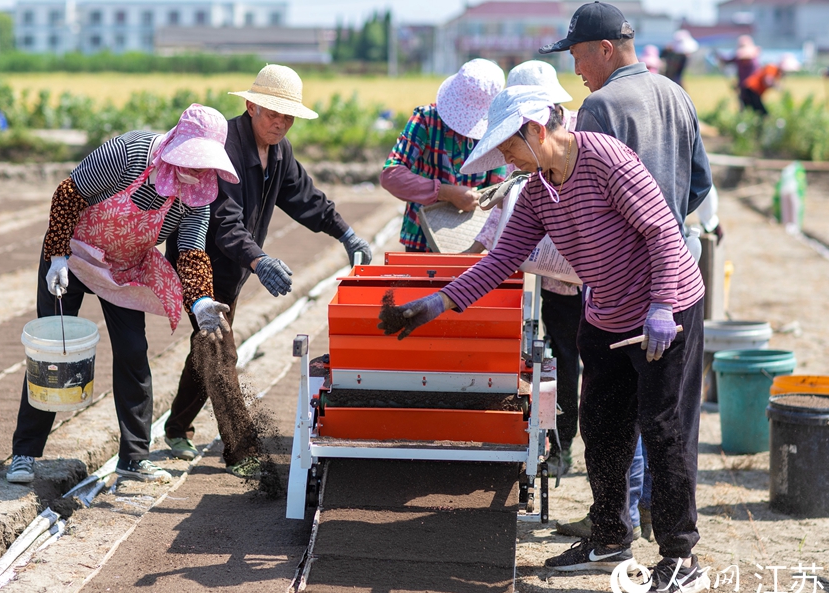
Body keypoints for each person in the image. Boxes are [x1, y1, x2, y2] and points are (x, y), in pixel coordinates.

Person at [379, 87, 708, 593]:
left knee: (663, 430)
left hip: (661, 313)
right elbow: (501, 259)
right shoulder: (537, 191)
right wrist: (435, 305)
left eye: (507, 145)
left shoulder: (606, 159)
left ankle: (681, 559)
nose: (504, 159)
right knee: (601, 427)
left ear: (535, 130)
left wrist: (664, 305)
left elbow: (663, 232)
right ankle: (608, 536)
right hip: (605, 314)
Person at [539, 0, 713, 545]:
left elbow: (589, 197)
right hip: (677, 276)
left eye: (577, 55)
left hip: (630, 289)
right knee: (668, 423)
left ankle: (639, 535)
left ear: (605, 50)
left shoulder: (600, 108)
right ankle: (642, 524)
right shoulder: (676, 95)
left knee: (615, 419)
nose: (576, 69)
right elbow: (701, 184)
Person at [7, 104, 239, 484]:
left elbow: (191, 250)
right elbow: (69, 194)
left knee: (133, 352)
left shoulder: (197, 192)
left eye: (204, 163)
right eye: (192, 159)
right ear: (176, 143)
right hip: (74, 255)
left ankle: (134, 458)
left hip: (123, 268)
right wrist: (57, 256)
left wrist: (200, 300)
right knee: (53, 354)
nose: (196, 170)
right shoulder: (130, 154)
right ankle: (25, 453)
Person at [162, 65, 372, 475]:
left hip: (233, 273)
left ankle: (175, 427)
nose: (280, 123)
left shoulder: (279, 151)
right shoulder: (223, 147)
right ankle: (242, 451)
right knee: (221, 350)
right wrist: (260, 260)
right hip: (199, 265)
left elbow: (306, 198)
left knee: (206, 348)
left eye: (287, 116)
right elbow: (224, 222)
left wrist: (346, 234)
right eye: (272, 113)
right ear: (251, 106)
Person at [466, 59, 583, 480]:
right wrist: (464, 265)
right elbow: (508, 223)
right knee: (561, 359)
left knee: (576, 361)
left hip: (591, 282)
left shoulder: (580, 145)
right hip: (557, 282)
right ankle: (561, 444)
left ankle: (569, 445)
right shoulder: (529, 163)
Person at [380, 58, 508, 252]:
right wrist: (445, 192)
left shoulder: (496, 129)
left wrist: (477, 199)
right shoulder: (426, 119)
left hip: (473, 239)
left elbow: (498, 187)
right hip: (422, 238)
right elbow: (391, 175)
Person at [717, 35, 761, 112]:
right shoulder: (738, 59)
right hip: (743, 88)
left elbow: (755, 75)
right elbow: (727, 61)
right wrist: (720, 58)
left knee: (756, 108)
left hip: (753, 88)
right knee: (743, 109)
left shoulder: (753, 60)